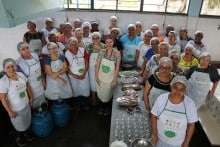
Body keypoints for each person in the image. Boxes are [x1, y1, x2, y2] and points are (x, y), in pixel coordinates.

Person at [151, 76, 198, 147]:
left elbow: (191, 124)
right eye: (175, 87)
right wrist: (154, 133)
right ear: (171, 87)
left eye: (182, 89)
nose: (177, 92)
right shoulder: (161, 99)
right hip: (160, 139)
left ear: (185, 90)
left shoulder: (190, 104)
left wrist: (187, 142)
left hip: (178, 143)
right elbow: (153, 116)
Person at [0, 58, 34, 147]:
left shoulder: (20, 74)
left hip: (26, 104)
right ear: (4, 69)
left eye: (12, 66)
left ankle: (26, 134)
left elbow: (28, 86)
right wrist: (9, 111)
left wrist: (31, 98)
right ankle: (18, 137)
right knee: (18, 125)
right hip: (16, 109)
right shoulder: (3, 81)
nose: (11, 69)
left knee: (26, 121)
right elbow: (2, 98)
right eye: (8, 67)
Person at [95, 36, 121, 115]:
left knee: (108, 93)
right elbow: (98, 65)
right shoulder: (102, 51)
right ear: (105, 43)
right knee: (101, 93)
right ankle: (101, 107)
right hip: (101, 76)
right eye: (107, 42)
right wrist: (96, 76)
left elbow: (117, 67)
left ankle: (107, 108)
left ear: (113, 43)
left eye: (110, 42)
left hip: (110, 77)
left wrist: (114, 79)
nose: (109, 44)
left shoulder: (117, 53)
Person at [16, 42, 46, 109]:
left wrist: (43, 81)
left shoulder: (35, 55)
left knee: (43, 102)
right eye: (23, 49)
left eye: (27, 48)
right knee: (35, 107)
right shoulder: (19, 64)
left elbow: (39, 69)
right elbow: (24, 82)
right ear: (19, 52)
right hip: (31, 89)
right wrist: (31, 96)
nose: (26, 50)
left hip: (40, 84)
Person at [65, 37, 90, 110]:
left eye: (75, 44)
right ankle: (78, 104)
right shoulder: (66, 53)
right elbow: (66, 66)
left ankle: (86, 104)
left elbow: (86, 62)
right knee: (76, 90)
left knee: (85, 89)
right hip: (73, 76)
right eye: (72, 44)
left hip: (84, 74)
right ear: (69, 45)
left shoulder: (82, 50)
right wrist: (73, 75)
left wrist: (84, 73)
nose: (74, 46)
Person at [87, 32, 105, 106]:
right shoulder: (89, 46)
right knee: (92, 83)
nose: (95, 39)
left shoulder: (103, 46)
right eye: (93, 38)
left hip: (101, 67)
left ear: (100, 38)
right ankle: (94, 99)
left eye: (97, 38)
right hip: (91, 68)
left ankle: (100, 98)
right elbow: (87, 57)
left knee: (100, 82)